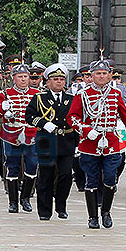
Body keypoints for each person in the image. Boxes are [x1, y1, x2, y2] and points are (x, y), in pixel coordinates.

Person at [67, 60, 126, 229]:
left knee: (110, 178)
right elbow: (72, 117)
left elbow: (125, 116)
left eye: (104, 73)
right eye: (98, 73)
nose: (101, 76)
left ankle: (106, 212)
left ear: (109, 75)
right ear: (91, 76)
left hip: (111, 142)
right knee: (91, 180)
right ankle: (92, 217)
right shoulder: (82, 94)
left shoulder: (115, 94)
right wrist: (86, 130)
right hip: (90, 142)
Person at [25, 64, 78, 220]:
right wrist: (43, 123)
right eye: (55, 79)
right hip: (47, 142)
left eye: (62, 79)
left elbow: (76, 121)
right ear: (47, 82)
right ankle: (45, 211)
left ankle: (61, 205)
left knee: (66, 175)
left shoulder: (72, 99)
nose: (59, 82)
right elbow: (29, 116)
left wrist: (77, 144)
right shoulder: (39, 98)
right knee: (46, 177)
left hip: (66, 142)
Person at [0, 64, 40, 213]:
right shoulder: (5, 93)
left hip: (31, 133)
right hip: (11, 134)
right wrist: (2, 108)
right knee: (12, 167)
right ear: (13, 78)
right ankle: (13, 202)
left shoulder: (37, 93)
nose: (24, 79)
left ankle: (25, 198)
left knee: (32, 166)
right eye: (20, 76)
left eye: (26, 76)